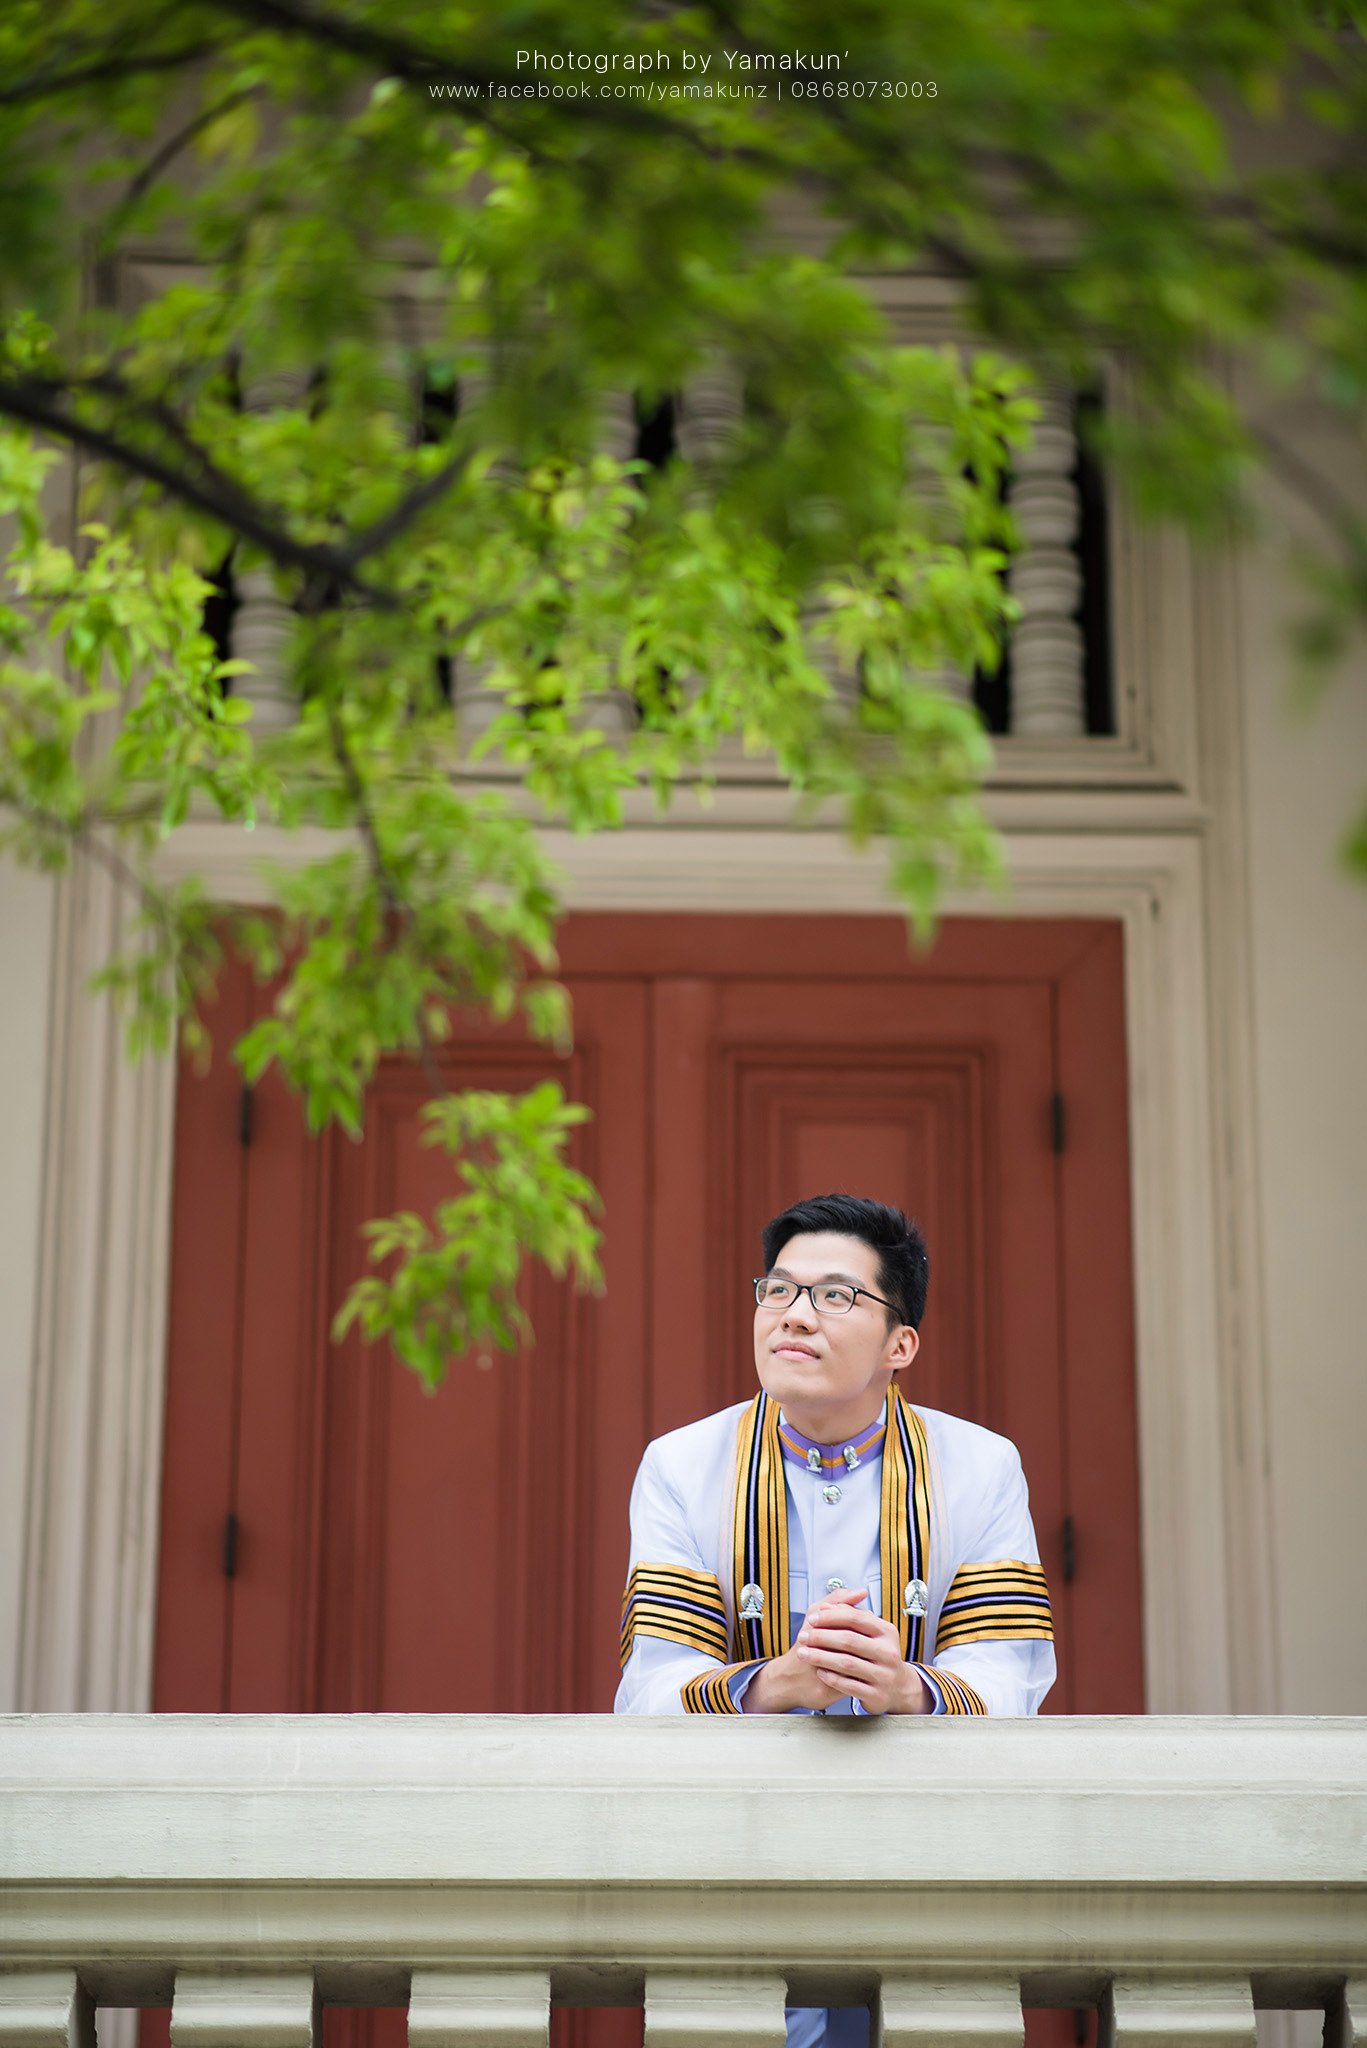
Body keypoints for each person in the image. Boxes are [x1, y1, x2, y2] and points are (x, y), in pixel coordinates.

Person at [613, 1192, 1056, 2044]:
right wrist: (775, 1682)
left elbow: (1011, 1676)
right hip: (738, 1864)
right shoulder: (681, 1466)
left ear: (900, 1345)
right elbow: (651, 1693)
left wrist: (906, 1689)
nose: (793, 1315)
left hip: (923, 1861)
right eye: (777, 1290)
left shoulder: (980, 1466)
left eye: (835, 1295)